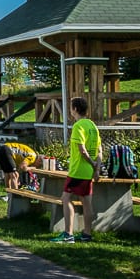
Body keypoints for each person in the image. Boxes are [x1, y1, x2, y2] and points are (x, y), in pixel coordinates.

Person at [51, 97, 102, 244]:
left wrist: (92, 164)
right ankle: (87, 234)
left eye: (71, 107)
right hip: (88, 173)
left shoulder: (78, 126)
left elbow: (82, 150)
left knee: (65, 199)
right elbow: (99, 149)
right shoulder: (92, 126)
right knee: (87, 202)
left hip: (78, 170)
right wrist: (96, 168)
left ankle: (68, 234)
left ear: (75, 109)